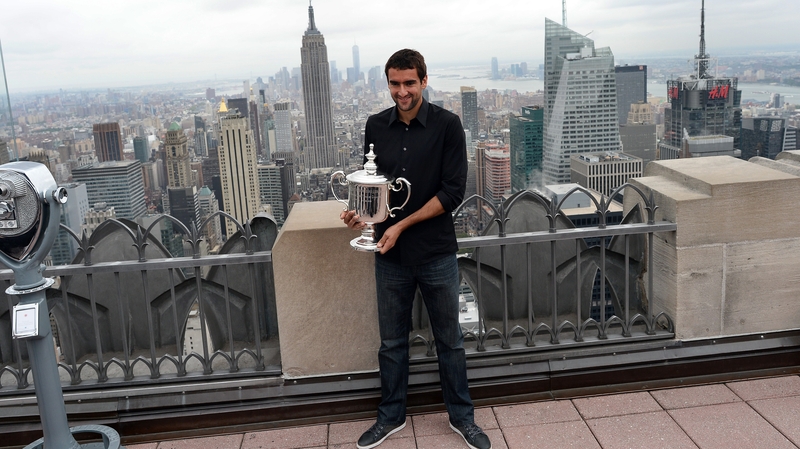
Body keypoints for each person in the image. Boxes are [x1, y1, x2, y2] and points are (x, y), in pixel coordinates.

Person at [340, 49, 491, 449]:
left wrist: (401, 225)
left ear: (424, 81)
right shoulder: (375, 126)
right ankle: (390, 417)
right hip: (390, 254)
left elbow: (453, 191)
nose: (402, 91)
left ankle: (463, 418)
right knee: (391, 342)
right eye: (394, 83)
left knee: (450, 340)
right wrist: (361, 216)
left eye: (409, 83)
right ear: (387, 83)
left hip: (436, 252)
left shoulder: (448, 125)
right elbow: (375, 187)